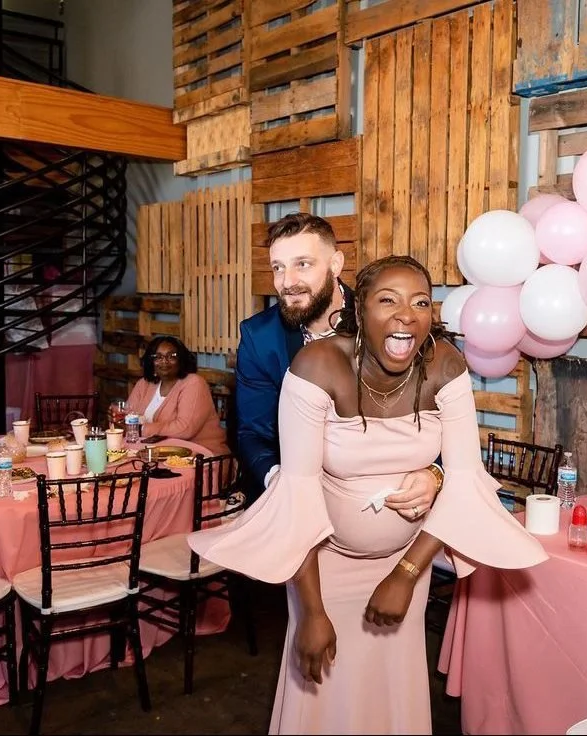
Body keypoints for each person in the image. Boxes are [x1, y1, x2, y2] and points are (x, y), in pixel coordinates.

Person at [189, 255, 549, 734]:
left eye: (420, 302)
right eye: (388, 300)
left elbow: (464, 482)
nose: (406, 314)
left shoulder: (445, 366)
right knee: (322, 688)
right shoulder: (317, 365)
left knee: (391, 684)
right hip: (322, 565)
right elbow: (297, 496)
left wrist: (405, 574)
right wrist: (312, 612)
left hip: (409, 556)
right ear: (360, 312)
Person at [235, 213, 441, 516]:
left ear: (335, 264)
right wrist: (284, 483)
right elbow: (252, 432)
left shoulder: (386, 318)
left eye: (302, 264)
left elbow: (444, 415)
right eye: (278, 268)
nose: (287, 282)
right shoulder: (260, 337)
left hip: (388, 502)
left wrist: (434, 474)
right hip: (296, 508)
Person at [124, 335, 230, 455]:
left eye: (171, 356)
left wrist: (141, 429)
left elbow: (184, 429)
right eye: (158, 357)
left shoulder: (194, 383)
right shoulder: (144, 383)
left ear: (181, 360)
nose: (164, 361)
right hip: (153, 454)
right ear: (151, 361)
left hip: (200, 455)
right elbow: (126, 416)